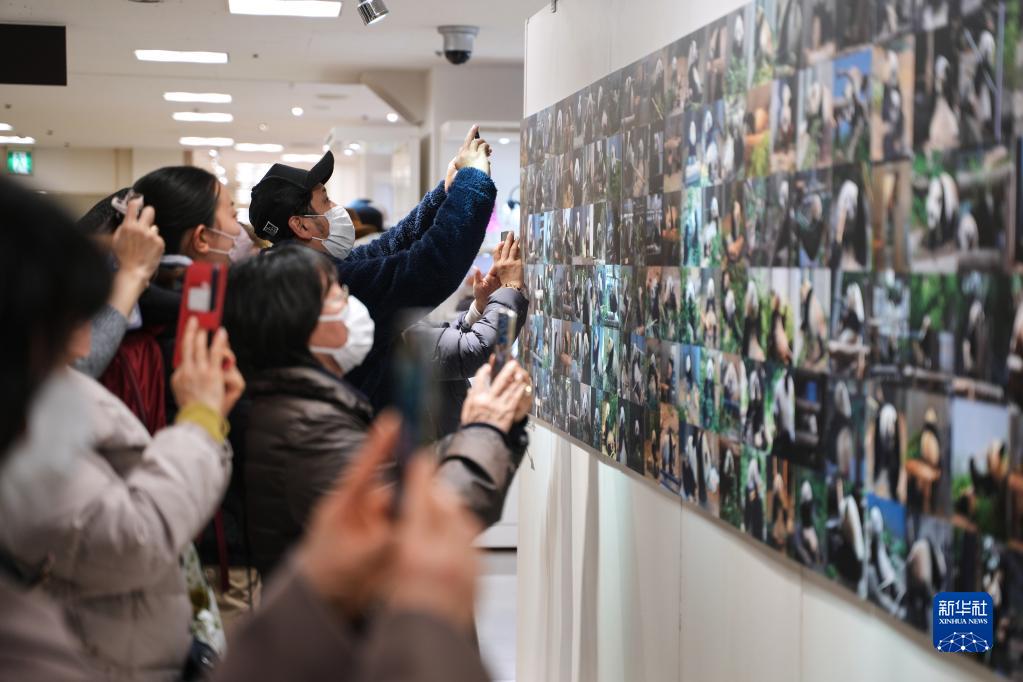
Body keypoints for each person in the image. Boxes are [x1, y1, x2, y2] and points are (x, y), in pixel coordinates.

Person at [0, 177, 490, 682]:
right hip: (198, 582)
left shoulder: (221, 335)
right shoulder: (225, 368)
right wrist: (488, 432)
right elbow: (132, 534)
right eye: (227, 214)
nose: (240, 230)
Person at [223, 244, 532, 578]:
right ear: (300, 322)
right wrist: (486, 430)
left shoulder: (309, 406)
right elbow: (420, 518)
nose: (351, 305)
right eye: (335, 296)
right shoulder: (306, 427)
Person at [246, 126, 497, 408]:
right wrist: (472, 183)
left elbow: (387, 248)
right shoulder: (322, 285)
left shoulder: (292, 272)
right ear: (301, 225)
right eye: (325, 200)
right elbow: (429, 267)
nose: (335, 206)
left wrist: (445, 193)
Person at [408, 232, 529, 437]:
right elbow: (478, 350)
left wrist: (480, 307)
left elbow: (449, 343)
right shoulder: (386, 330)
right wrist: (510, 289)